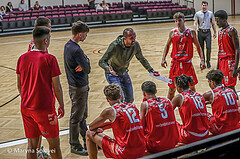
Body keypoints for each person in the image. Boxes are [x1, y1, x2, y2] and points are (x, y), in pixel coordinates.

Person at [16, 26, 64, 159]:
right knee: (54, 145)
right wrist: (61, 104)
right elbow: (57, 86)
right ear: (46, 41)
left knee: (32, 145)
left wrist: (27, 99)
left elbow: (19, 85)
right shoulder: (50, 59)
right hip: (44, 109)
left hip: (26, 108)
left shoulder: (22, 58)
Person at [99, 28, 158, 103]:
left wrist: (151, 70)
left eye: (134, 37)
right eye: (131, 38)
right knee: (119, 99)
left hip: (124, 72)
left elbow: (141, 58)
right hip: (113, 74)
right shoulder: (115, 45)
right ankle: (119, 113)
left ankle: (126, 113)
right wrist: (108, 69)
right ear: (124, 38)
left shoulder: (135, 45)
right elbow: (101, 62)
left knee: (130, 99)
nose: (134, 40)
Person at [86, 84, 145, 159]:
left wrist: (99, 128)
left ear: (107, 99)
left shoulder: (109, 111)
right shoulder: (132, 106)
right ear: (120, 96)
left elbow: (91, 126)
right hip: (142, 149)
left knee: (89, 133)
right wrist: (104, 127)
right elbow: (123, 123)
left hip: (125, 152)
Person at [161, 12, 206, 101]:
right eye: (176, 21)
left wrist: (202, 60)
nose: (178, 23)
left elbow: (198, 46)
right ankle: (169, 108)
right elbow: (167, 45)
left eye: (179, 20)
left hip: (187, 64)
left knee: (192, 88)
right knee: (171, 89)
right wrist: (163, 59)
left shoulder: (191, 32)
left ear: (184, 21)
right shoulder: (172, 32)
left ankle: (194, 105)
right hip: (175, 64)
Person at [64, 21, 90, 156]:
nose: (86, 36)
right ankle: (75, 145)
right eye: (85, 34)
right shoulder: (77, 50)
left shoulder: (68, 46)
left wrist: (84, 62)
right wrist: (86, 61)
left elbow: (84, 65)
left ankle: (87, 141)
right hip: (79, 87)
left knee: (82, 116)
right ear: (79, 34)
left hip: (75, 85)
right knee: (76, 117)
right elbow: (88, 68)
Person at [140, 81, 179, 154]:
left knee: (136, 137)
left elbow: (142, 127)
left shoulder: (145, 105)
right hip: (172, 142)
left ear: (144, 93)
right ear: (156, 91)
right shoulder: (167, 100)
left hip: (156, 146)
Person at [172, 75, 209, 144]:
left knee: (171, 123)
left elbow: (168, 114)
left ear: (178, 87)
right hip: (205, 134)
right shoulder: (199, 95)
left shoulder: (179, 97)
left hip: (191, 136)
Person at [203, 70, 239, 135]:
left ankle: (199, 134)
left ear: (212, 82)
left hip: (221, 129)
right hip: (235, 126)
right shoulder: (231, 91)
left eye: (209, 82)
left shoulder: (210, 94)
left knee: (204, 114)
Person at [214, 10, 240, 97]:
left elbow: (237, 49)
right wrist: (218, 66)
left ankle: (236, 106)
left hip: (229, 62)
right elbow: (220, 50)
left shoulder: (231, 30)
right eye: (215, 21)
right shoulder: (220, 32)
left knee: (230, 87)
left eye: (218, 21)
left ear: (224, 20)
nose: (216, 23)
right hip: (222, 62)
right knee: (223, 86)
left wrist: (235, 68)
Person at [194, 1, 217, 68]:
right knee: (201, 48)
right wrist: (194, 32)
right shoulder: (197, 13)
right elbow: (195, 23)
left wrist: (215, 32)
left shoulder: (210, 13)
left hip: (207, 32)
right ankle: (203, 61)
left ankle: (208, 61)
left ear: (207, 6)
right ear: (201, 6)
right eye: (203, 5)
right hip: (200, 32)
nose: (204, 6)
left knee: (208, 47)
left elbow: (213, 23)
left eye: (205, 5)